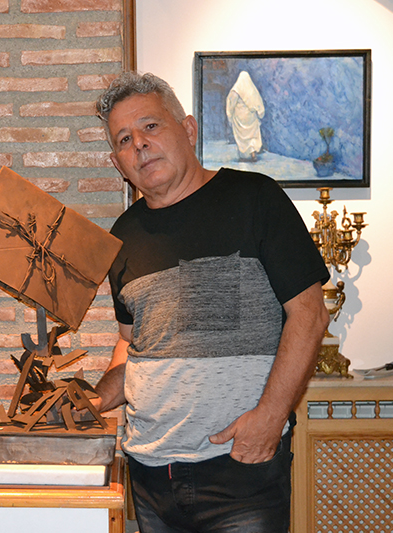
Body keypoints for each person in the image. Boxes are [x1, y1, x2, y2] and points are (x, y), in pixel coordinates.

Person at [93, 72, 330, 533]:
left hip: (239, 471)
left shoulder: (255, 198)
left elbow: (310, 314)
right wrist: (93, 398)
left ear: (189, 129)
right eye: (124, 139)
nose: (139, 144)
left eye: (150, 126)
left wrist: (270, 419)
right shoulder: (122, 237)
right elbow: (133, 347)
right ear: (117, 162)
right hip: (149, 474)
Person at [226, 70, 265, 161]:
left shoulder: (236, 90)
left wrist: (230, 114)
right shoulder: (252, 90)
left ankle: (244, 156)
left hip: (240, 117)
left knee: (242, 137)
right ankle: (253, 154)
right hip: (251, 117)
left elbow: (231, 104)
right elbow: (258, 103)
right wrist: (260, 112)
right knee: (252, 136)